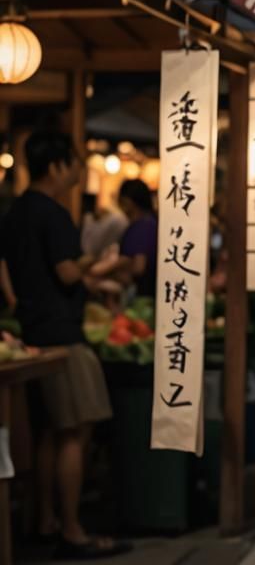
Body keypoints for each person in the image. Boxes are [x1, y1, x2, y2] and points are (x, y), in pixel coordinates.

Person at [0, 130, 130, 559]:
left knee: (48, 433)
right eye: (74, 163)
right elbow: (68, 273)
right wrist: (100, 266)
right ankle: (72, 530)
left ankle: (45, 521)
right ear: (56, 166)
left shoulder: (16, 211)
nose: (77, 171)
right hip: (62, 334)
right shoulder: (53, 214)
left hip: (31, 331)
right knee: (75, 432)